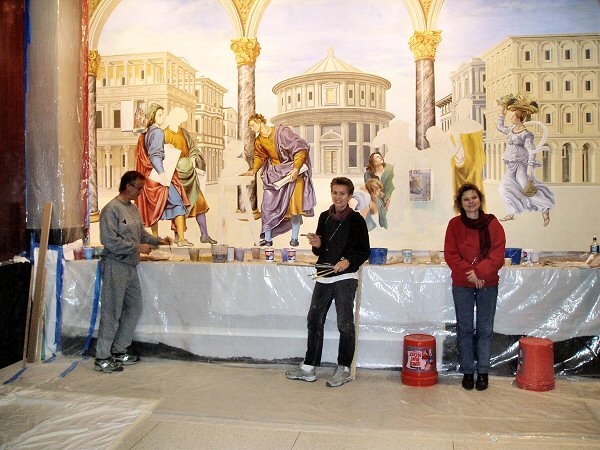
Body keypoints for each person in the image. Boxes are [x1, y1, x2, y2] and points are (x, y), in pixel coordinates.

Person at [286, 177, 370, 387]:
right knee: (314, 320)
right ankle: (308, 367)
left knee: (344, 324)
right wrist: (317, 244)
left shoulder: (357, 220)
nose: (338, 197)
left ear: (349, 196)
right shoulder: (324, 217)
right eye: (335, 193)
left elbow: (363, 251)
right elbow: (320, 251)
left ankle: (343, 368)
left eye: (342, 193)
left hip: (345, 278)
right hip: (324, 275)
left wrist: (347, 261)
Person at [95, 171, 172, 373]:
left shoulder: (133, 209)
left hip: (130, 266)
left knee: (134, 308)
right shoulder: (111, 210)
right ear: (128, 186)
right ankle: (102, 356)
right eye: (139, 188)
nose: (141, 192)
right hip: (115, 265)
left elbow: (141, 235)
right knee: (112, 312)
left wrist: (158, 241)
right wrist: (137, 247)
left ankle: (119, 349)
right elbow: (109, 241)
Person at [444, 183, 506, 391]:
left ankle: (484, 372)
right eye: (466, 199)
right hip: (463, 283)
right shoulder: (454, 225)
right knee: (465, 328)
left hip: (488, 282)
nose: (471, 202)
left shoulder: (493, 224)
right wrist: (472, 274)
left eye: (474, 197)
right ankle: (468, 372)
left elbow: (497, 254)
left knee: (485, 329)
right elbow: (451, 255)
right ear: (460, 204)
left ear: (480, 199)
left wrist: (480, 273)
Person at [240, 114, 316, 247]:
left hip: (293, 172)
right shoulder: (259, 141)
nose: (251, 128)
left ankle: (294, 238)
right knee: (267, 207)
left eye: (252, 125)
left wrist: (296, 168)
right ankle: (268, 239)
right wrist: (254, 170)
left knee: (295, 207)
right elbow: (260, 156)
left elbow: (301, 149)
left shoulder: (282, 132)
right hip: (274, 175)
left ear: (259, 121)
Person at [135, 103, 192, 246]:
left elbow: (151, 150)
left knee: (153, 208)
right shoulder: (159, 132)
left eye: (163, 114)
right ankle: (182, 240)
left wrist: (166, 147)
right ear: (153, 117)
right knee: (178, 203)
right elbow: (155, 155)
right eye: (159, 115)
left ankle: (155, 237)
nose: (163, 117)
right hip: (159, 176)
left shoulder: (146, 133)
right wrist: (162, 174)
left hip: (149, 177)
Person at [496, 95, 555, 226]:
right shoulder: (511, 130)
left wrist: (530, 167)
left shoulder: (526, 134)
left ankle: (545, 208)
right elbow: (500, 127)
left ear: (519, 117)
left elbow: (532, 151)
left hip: (521, 163)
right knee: (504, 188)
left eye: (513, 116)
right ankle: (511, 212)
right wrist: (502, 114)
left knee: (526, 187)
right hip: (510, 163)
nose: (511, 118)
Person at [165, 107, 216, 244]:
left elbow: (193, 148)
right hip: (175, 176)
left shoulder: (184, 132)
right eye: (179, 119)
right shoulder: (164, 134)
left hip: (190, 175)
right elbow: (163, 155)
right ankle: (178, 236)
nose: (180, 122)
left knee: (200, 204)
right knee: (178, 207)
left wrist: (193, 157)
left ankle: (204, 235)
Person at [364, 152, 394, 229]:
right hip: (375, 196)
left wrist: (388, 197)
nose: (380, 157)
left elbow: (391, 185)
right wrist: (377, 193)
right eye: (377, 157)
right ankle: (383, 227)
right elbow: (369, 187)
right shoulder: (367, 174)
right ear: (373, 162)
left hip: (389, 195)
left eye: (380, 156)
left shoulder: (390, 170)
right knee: (377, 205)